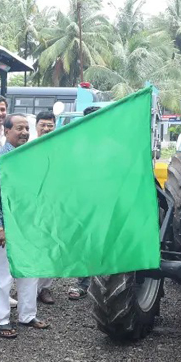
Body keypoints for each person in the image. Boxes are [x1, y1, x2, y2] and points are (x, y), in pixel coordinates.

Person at [0, 114, 49, 336]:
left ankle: (27, 315)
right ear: (6, 131)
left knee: (30, 271)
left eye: (26, 128)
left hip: (29, 225)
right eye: (19, 128)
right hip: (7, 225)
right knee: (3, 275)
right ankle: (1, 320)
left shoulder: (29, 156)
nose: (24, 132)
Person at [68, 105, 101, 301]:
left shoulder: (111, 143)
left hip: (105, 202)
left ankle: (101, 282)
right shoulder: (76, 144)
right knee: (83, 241)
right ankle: (83, 282)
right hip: (82, 201)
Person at [32, 110, 59, 305]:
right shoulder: (28, 148)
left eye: (50, 125)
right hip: (33, 206)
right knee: (34, 246)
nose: (46, 128)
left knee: (51, 247)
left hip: (55, 206)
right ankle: (30, 289)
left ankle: (45, 288)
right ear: (37, 126)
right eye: (43, 125)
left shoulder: (61, 148)